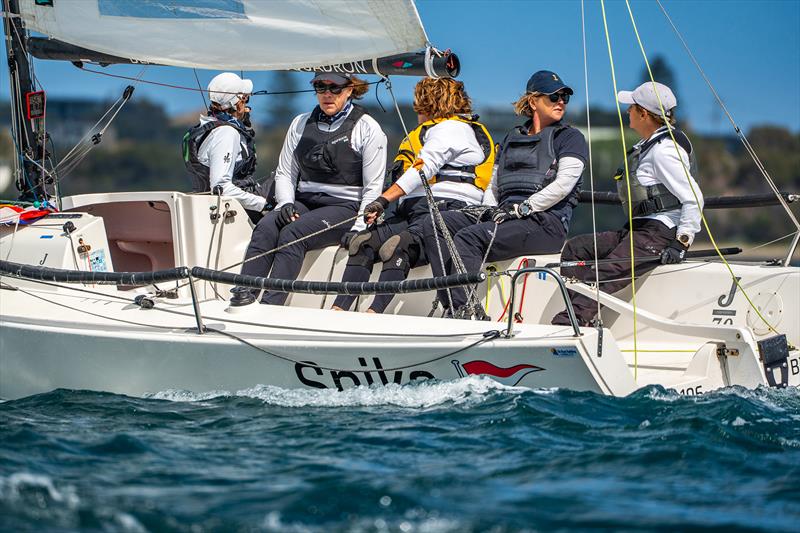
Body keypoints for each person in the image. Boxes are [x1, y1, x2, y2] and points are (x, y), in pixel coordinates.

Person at [421, 70, 588, 318]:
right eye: (554, 97)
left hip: (544, 223)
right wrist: (489, 210)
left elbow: (563, 184)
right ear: (533, 102)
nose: (561, 101)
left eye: (564, 96)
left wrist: (524, 208)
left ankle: (464, 312)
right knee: (435, 223)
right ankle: (454, 305)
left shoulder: (570, 138)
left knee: (469, 238)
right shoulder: (512, 137)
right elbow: (494, 186)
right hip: (506, 216)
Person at [331, 77, 495, 313]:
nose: (417, 110)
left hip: (443, 209)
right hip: (413, 211)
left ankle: (373, 313)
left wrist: (383, 200)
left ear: (430, 103)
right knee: (363, 243)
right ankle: (339, 310)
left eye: (420, 104)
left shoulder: (453, 128)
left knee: (396, 246)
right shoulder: (433, 131)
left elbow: (423, 167)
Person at [552, 81, 703, 327]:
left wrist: (681, 243)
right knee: (576, 250)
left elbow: (693, 197)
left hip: (659, 234)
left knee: (604, 272)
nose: (627, 112)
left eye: (631, 108)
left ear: (644, 113)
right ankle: (578, 313)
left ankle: (571, 322)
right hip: (639, 230)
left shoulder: (664, 150)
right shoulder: (649, 146)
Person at [233, 72, 387, 306]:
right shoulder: (301, 123)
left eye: (335, 88)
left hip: (346, 207)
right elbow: (285, 172)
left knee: (292, 234)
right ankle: (243, 297)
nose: (327, 94)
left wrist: (359, 227)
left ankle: (271, 305)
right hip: (305, 200)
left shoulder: (368, 128)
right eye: (320, 87)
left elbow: (374, 187)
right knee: (266, 227)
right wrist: (285, 203)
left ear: (349, 90)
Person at [183, 72, 271, 222]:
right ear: (236, 104)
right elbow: (221, 187)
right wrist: (264, 205)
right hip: (236, 210)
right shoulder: (226, 133)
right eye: (245, 99)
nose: (247, 104)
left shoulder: (206, 128)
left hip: (217, 206)